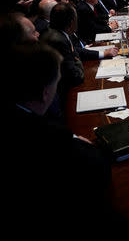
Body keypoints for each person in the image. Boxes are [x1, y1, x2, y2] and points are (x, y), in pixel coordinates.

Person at [3, 43, 112, 234]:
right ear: (45, 93)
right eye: (57, 83)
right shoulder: (52, 142)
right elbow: (98, 169)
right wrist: (76, 143)